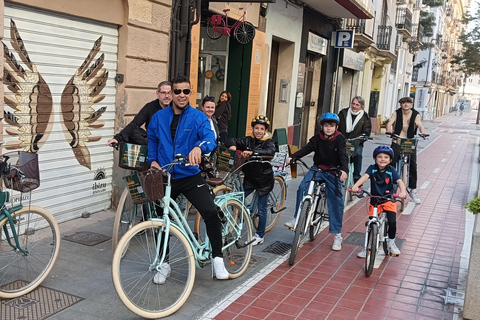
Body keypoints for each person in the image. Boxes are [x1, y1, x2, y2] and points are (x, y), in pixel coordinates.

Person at [147, 75, 228, 283]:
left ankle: (217, 258)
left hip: (190, 175)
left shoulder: (198, 117)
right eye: (177, 91)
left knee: (209, 212)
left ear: (190, 93)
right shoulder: (158, 117)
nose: (181, 95)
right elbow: (153, 141)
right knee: (162, 221)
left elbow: (210, 139)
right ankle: (164, 263)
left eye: (186, 91)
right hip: (166, 177)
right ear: (170, 93)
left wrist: (198, 148)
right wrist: (152, 161)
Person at [285, 113, 348, 251]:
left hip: (333, 171)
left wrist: (344, 170)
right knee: (302, 187)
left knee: (337, 200)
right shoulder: (317, 138)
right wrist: (293, 157)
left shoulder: (340, 139)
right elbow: (306, 149)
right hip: (318, 168)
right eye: (326, 125)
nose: (328, 128)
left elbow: (343, 155)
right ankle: (297, 217)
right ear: (322, 127)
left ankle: (337, 234)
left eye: (331, 126)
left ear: (336, 127)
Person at [226, 115, 276, 246]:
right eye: (256, 128)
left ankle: (260, 235)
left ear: (265, 131)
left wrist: (252, 152)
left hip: (264, 180)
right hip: (249, 178)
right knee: (239, 198)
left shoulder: (269, 141)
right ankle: (240, 221)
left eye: (262, 129)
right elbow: (232, 140)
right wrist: (232, 146)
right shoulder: (248, 140)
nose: (259, 131)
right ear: (253, 129)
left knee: (262, 207)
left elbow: (270, 151)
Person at [351, 146, 407, 257]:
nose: (382, 159)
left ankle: (391, 242)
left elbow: (400, 181)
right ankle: (366, 247)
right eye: (379, 157)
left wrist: (403, 192)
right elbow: (365, 177)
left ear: (390, 160)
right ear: (375, 159)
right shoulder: (372, 168)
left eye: (386, 157)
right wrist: (356, 186)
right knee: (371, 225)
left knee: (392, 222)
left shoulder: (391, 170)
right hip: (375, 200)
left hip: (388, 199)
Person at [386, 97, 427, 204]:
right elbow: (390, 122)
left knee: (413, 165)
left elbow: (420, 125)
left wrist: (423, 132)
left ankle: (413, 189)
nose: (406, 105)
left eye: (408, 103)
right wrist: (389, 129)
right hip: (397, 141)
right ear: (400, 104)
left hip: (409, 142)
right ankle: (389, 189)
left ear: (411, 104)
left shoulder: (415, 114)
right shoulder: (397, 113)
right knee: (391, 164)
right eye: (403, 103)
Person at [107, 81, 172, 146]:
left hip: (172, 144)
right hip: (154, 144)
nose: (167, 96)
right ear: (157, 94)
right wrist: (117, 138)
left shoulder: (177, 108)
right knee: (134, 133)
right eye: (163, 93)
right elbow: (135, 123)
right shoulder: (150, 107)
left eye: (169, 93)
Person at [338, 96, 371, 183]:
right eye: (353, 103)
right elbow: (337, 126)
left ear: (361, 106)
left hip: (356, 142)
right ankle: (337, 172)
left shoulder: (365, 116)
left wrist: (360, 139)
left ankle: (356, 177)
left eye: (357, 105)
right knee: (337, 153)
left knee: (358, 155)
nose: (354, 106)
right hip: (342, 141)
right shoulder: (343, 113)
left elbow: (366, 131)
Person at [200, 95, 219, 179]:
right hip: (201, 157)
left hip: (211, 156)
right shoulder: (199, 120)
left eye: (212, 107)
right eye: (207, 107)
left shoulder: (214, 120)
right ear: (202, 107)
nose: (210, 109)